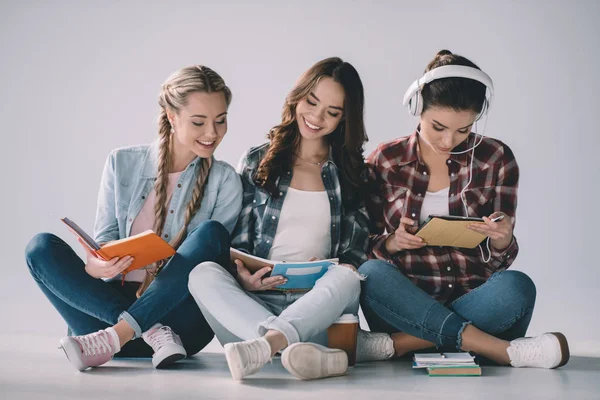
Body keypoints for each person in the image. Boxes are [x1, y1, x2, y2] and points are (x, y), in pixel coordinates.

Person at [360, 50, 569, 369]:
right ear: (417, 108)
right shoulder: (385, 160)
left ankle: (397, 346)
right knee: (371, 274)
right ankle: (499, 350)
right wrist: (391, 243)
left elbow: (500, 258)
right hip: (405, 307)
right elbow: (361, 245)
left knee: (517, 286)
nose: (448, 141)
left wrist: (501, 239)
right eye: (438, 127)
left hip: (476, 303)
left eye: (463, 131)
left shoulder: (496, 157)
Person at [189, 57, 394, 381]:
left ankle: (269, 347)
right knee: (202, 273)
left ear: (345, 118)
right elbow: (239, 240)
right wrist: (242, 276)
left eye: (332, 111)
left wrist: (328, 269)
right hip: (253, 308)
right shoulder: (258, 159)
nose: (316, 117)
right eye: (311, 102)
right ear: (297, 97)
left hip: (320, 308)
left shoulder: (353, 173)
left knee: (348, 277)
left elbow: (356, 253)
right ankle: (304, 351)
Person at [25, 65, 242, 371]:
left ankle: (122, 334)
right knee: (40, 247)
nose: (212, 133)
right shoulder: (121, 163)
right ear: (171, 116)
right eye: (199, 122)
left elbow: (212, 262)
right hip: (106, 317)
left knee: (212, 234)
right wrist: (97, 265)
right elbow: (103, 241)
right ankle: (143, 331)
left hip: (181, 325)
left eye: (221, 121)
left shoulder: (225, 181)